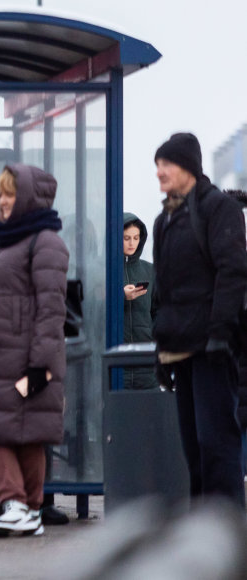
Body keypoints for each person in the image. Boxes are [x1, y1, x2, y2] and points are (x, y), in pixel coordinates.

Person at [0, 164, 69, 537]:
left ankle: (16, 504)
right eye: (0, 194)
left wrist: (41, 367)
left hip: (25, 363)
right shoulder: (1, 242)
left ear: (28, 197)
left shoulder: (46, 243)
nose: (3, 202)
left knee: (2, 433)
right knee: (10, 433)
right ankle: (27, 510)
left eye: (10, 194)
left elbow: (51, 309)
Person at [152, 132, 247, 507]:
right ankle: (201, 535)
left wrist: (221, 334)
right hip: (180, 348)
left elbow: (233, 271)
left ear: (189, 168)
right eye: (157, 165)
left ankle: (227, 533)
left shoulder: (217, 209)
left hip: (211, 346)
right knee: (193, 448)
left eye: (167, 164)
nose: (159, 172)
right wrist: (161, 350)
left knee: (216, 444)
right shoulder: (165, 220)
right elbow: (165, 293)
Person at [123, 212, 157, 390]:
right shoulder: (104, 269)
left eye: (136, 237)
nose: (131, 243)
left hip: (146, 358)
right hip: (117, 359)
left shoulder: (149, 270)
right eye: (126, 238)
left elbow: (158, 310)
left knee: (149, 412)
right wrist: (121, 297)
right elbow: (94, 308)